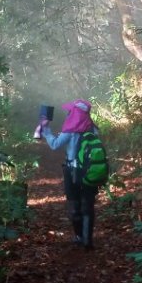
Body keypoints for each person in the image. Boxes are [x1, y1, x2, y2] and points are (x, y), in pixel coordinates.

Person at [38, 99, 99, 250]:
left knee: (74, 204)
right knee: (88, 205)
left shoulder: (70, 130)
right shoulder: (93, 128)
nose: (68, 113)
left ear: (75, 113)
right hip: (91, 170)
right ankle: (88, 241)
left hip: (72, 171)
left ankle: (79, 236)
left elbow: (54, 145)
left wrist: (46, 131)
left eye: (70, 111)